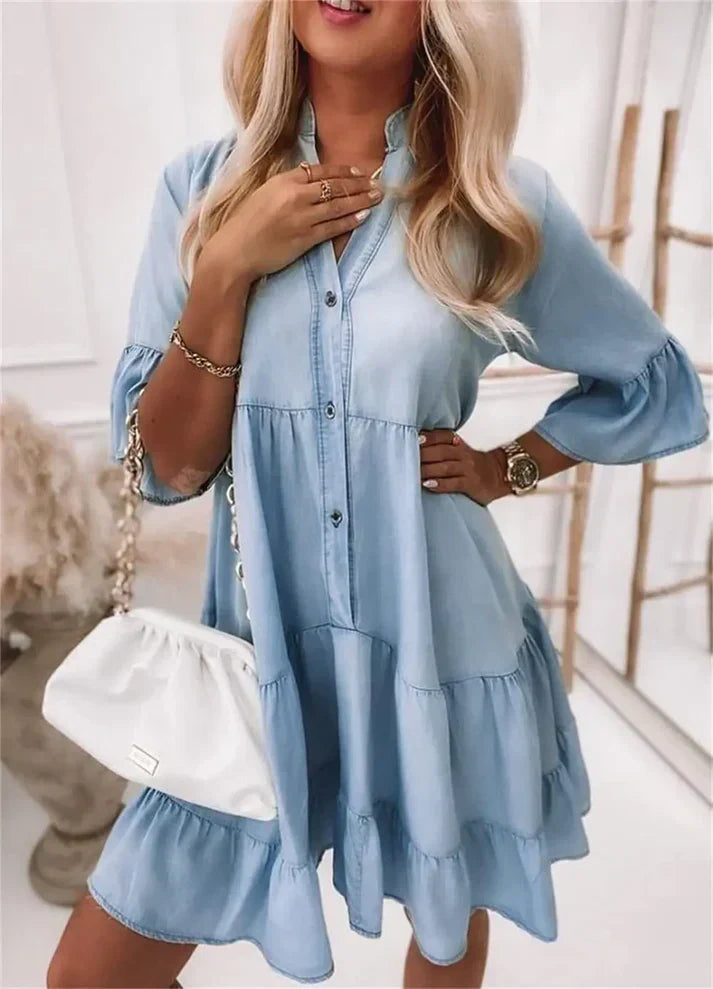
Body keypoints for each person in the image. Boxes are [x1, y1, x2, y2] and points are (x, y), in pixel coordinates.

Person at [47, 0, 710, 986]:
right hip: (258, 654)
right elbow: (168, 470)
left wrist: (507, 466)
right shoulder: (201, 190)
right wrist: (225, 268)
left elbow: (653, 382)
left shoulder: (493, 201)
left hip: (440, 641)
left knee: (444, 923)